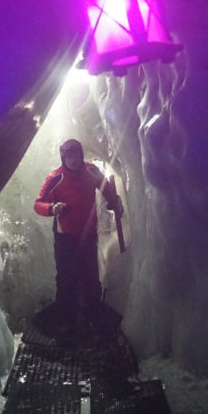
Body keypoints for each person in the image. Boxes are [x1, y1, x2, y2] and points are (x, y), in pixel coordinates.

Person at [34, 138, 122, 340]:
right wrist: (51, 209)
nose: (74, 161)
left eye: (77, 157)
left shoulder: (91, 171)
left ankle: (94, 318)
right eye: (69, 158)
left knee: (91, 278)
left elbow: (106, 188)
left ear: (82, 156)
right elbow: (38, 204)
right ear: (63, 159)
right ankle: (67, 322)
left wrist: (114, 202)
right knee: (66, 280)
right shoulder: (56, 177)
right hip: (66, 239)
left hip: (88, 236)